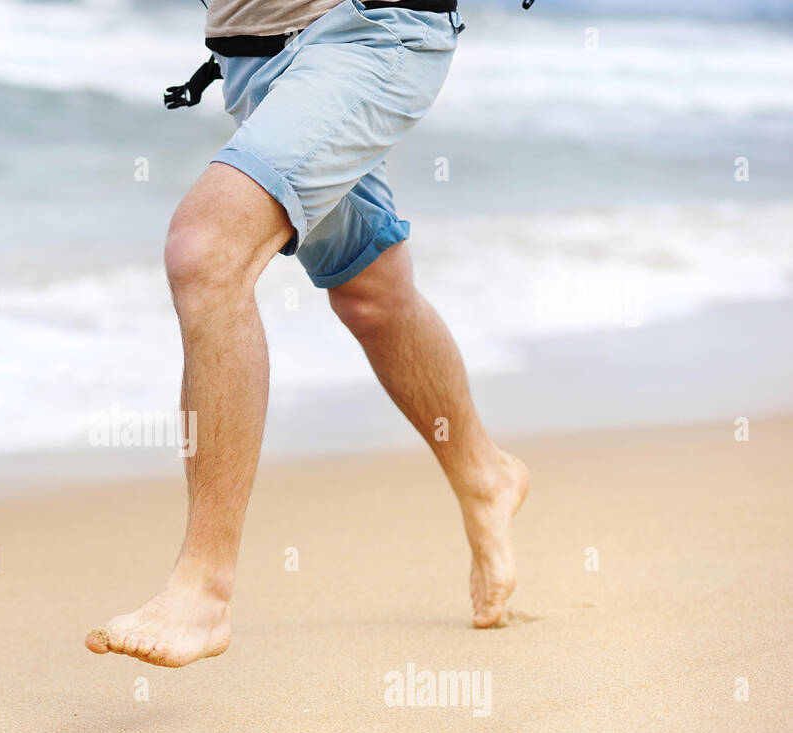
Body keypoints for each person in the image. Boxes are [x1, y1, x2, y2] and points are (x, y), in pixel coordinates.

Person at [86, 0, 528, 667]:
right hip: (254, 61)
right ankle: (486, 474)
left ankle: (204, 589)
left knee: (206, 250)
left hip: (372, 31)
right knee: (370, 294)